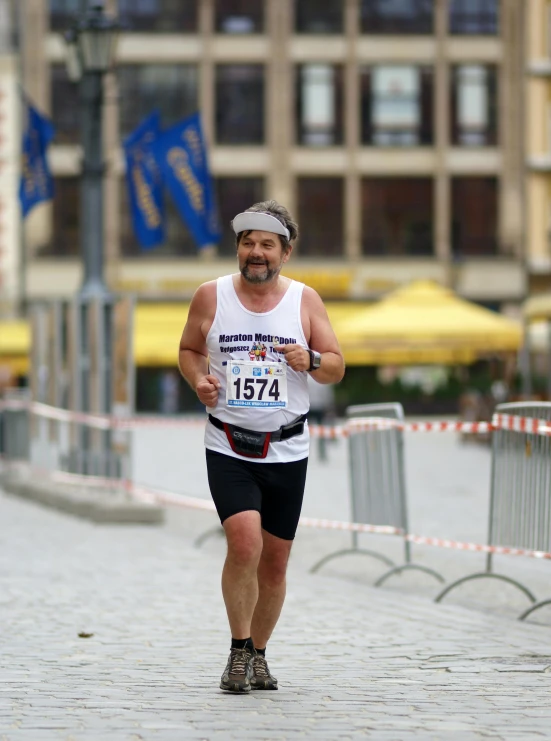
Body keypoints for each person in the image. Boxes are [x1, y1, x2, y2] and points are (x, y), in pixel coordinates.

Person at [178, 200, 345, 693]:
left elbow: (336, 365)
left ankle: (260, 654)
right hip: (228, 444)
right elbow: (189, 350)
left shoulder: (305, 301)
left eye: (266, 245)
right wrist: (198, 380)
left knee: (274, 562)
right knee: (244, 541)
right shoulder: (210, 296)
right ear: (237, 249)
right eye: (247, 242)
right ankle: (237, 651)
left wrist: (311, 359)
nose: (255, 252)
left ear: (285, 253)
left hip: (288, 449)